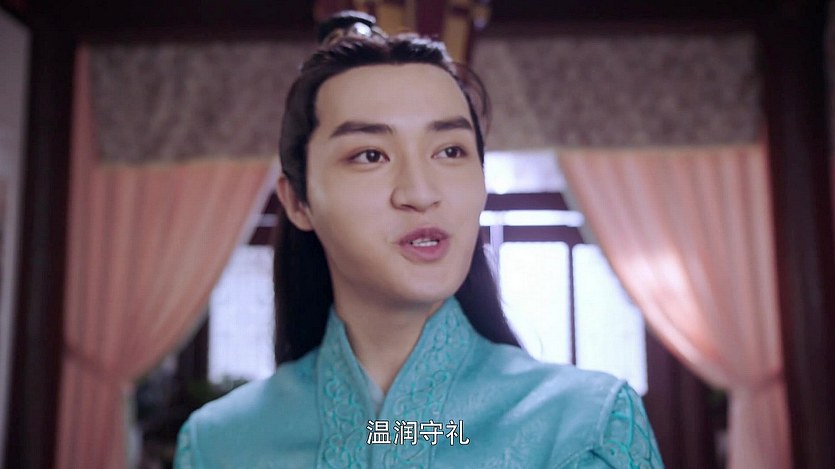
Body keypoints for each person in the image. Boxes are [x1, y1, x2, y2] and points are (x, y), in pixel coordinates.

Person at [175, 11, 664, 468]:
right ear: (299, 202)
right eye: (370, 155)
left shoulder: (586, 427)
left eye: (450, 151)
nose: (421, 193)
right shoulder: (218, 443)